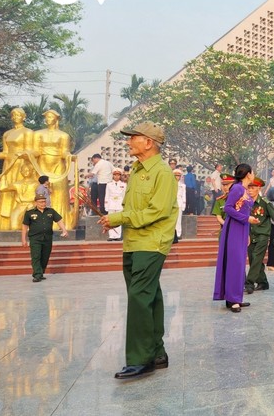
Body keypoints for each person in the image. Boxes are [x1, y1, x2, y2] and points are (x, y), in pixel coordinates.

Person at [99, 121, 177, 379]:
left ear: (149, 142)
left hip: (152, 243)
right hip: (133, 242)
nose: (129, 141)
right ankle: (156, 352)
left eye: (133, 137)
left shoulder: (162, 172)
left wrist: (119, 218)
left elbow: (158, 210)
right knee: (149, 295)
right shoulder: (136, 170)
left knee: (139, 298)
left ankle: (140, 359)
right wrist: (119, 219)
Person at [213, 164, 257, 311]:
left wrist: (248, 229)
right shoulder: (237, 188)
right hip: (234, 229)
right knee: (234, 263)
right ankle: (232, 300)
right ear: (248, 174)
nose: (254, 174)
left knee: (239, 264)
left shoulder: (244, 189)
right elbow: (228, 208)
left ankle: (235, 298)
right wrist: (247, 219)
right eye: (252, 172)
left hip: (242, 229)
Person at [245, 177, 274, 293]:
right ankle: (263, 282)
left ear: (259, 188)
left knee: (256, 257)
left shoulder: (265, 203)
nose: (250, 190)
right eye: (249, 188)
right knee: (253, 259)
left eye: (253, 188)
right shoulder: (246, 203)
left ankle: (249, 283)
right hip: (251, 235)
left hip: (262, 235)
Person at [21, 194, 68, 282]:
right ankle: (37, 274)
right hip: (35, 238)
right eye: (41, 202)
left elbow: (59, 220)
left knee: (45, 256)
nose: (43, 204)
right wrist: (23, 239)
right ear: (35, 202)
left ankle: (41, 272)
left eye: (44, 201)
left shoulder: (51, 211)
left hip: (48, 238)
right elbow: (24, 226)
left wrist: (64, 230)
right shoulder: (29, 213)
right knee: (36, 256)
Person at [104, 168, 126, 241]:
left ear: (120, 176)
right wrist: (106, 206)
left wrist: (124, 205)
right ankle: (112, 236)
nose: (116, 177)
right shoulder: (109, 184)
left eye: (118, 175)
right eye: (115, 175)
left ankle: (118, 235)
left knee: (118, 220)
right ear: (113, 176)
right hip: (111, 203)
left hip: (119, 204)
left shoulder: (124, 185)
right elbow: (107, 195)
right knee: (110, 220)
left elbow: (124, 196)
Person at [172, 168, 186, 243]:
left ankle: (178, 233)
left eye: (178, 176)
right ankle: (172, 234)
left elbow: (184, 195)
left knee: (178, 219)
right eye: (176, 176)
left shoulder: (183, 185)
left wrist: (184, 204)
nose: (177, 177)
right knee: (172, 219)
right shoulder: (170, 185)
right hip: (172, 203)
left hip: (179, 203)